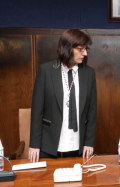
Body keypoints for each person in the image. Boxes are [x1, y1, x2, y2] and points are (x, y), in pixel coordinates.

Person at [29, 29, 97, 162]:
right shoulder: (46, 71)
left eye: (86, 49)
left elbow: (92, 111)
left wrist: (89, 141)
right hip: (49, 144)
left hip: (79, 146)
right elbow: (37, 111)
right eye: (80, 49)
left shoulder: (89, 74)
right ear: (67, 48)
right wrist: (34, 144)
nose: (85, 53)